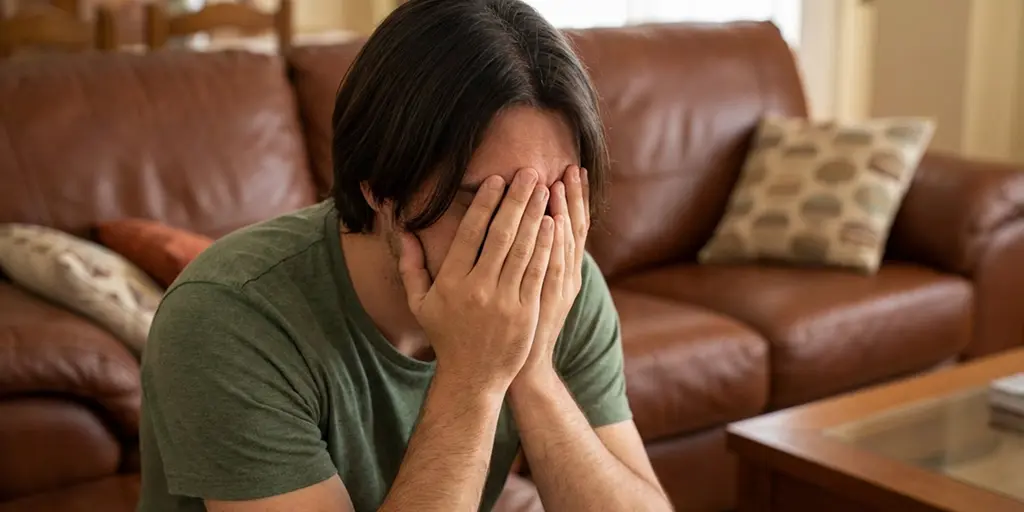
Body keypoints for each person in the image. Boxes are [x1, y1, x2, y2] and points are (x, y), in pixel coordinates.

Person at [137, 0, 672, 511]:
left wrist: (531, 367)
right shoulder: (227, 316)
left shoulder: (559, 274)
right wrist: (473, 377)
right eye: (483, 202)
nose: (525, 239)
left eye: (551, 198)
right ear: (379, 186)